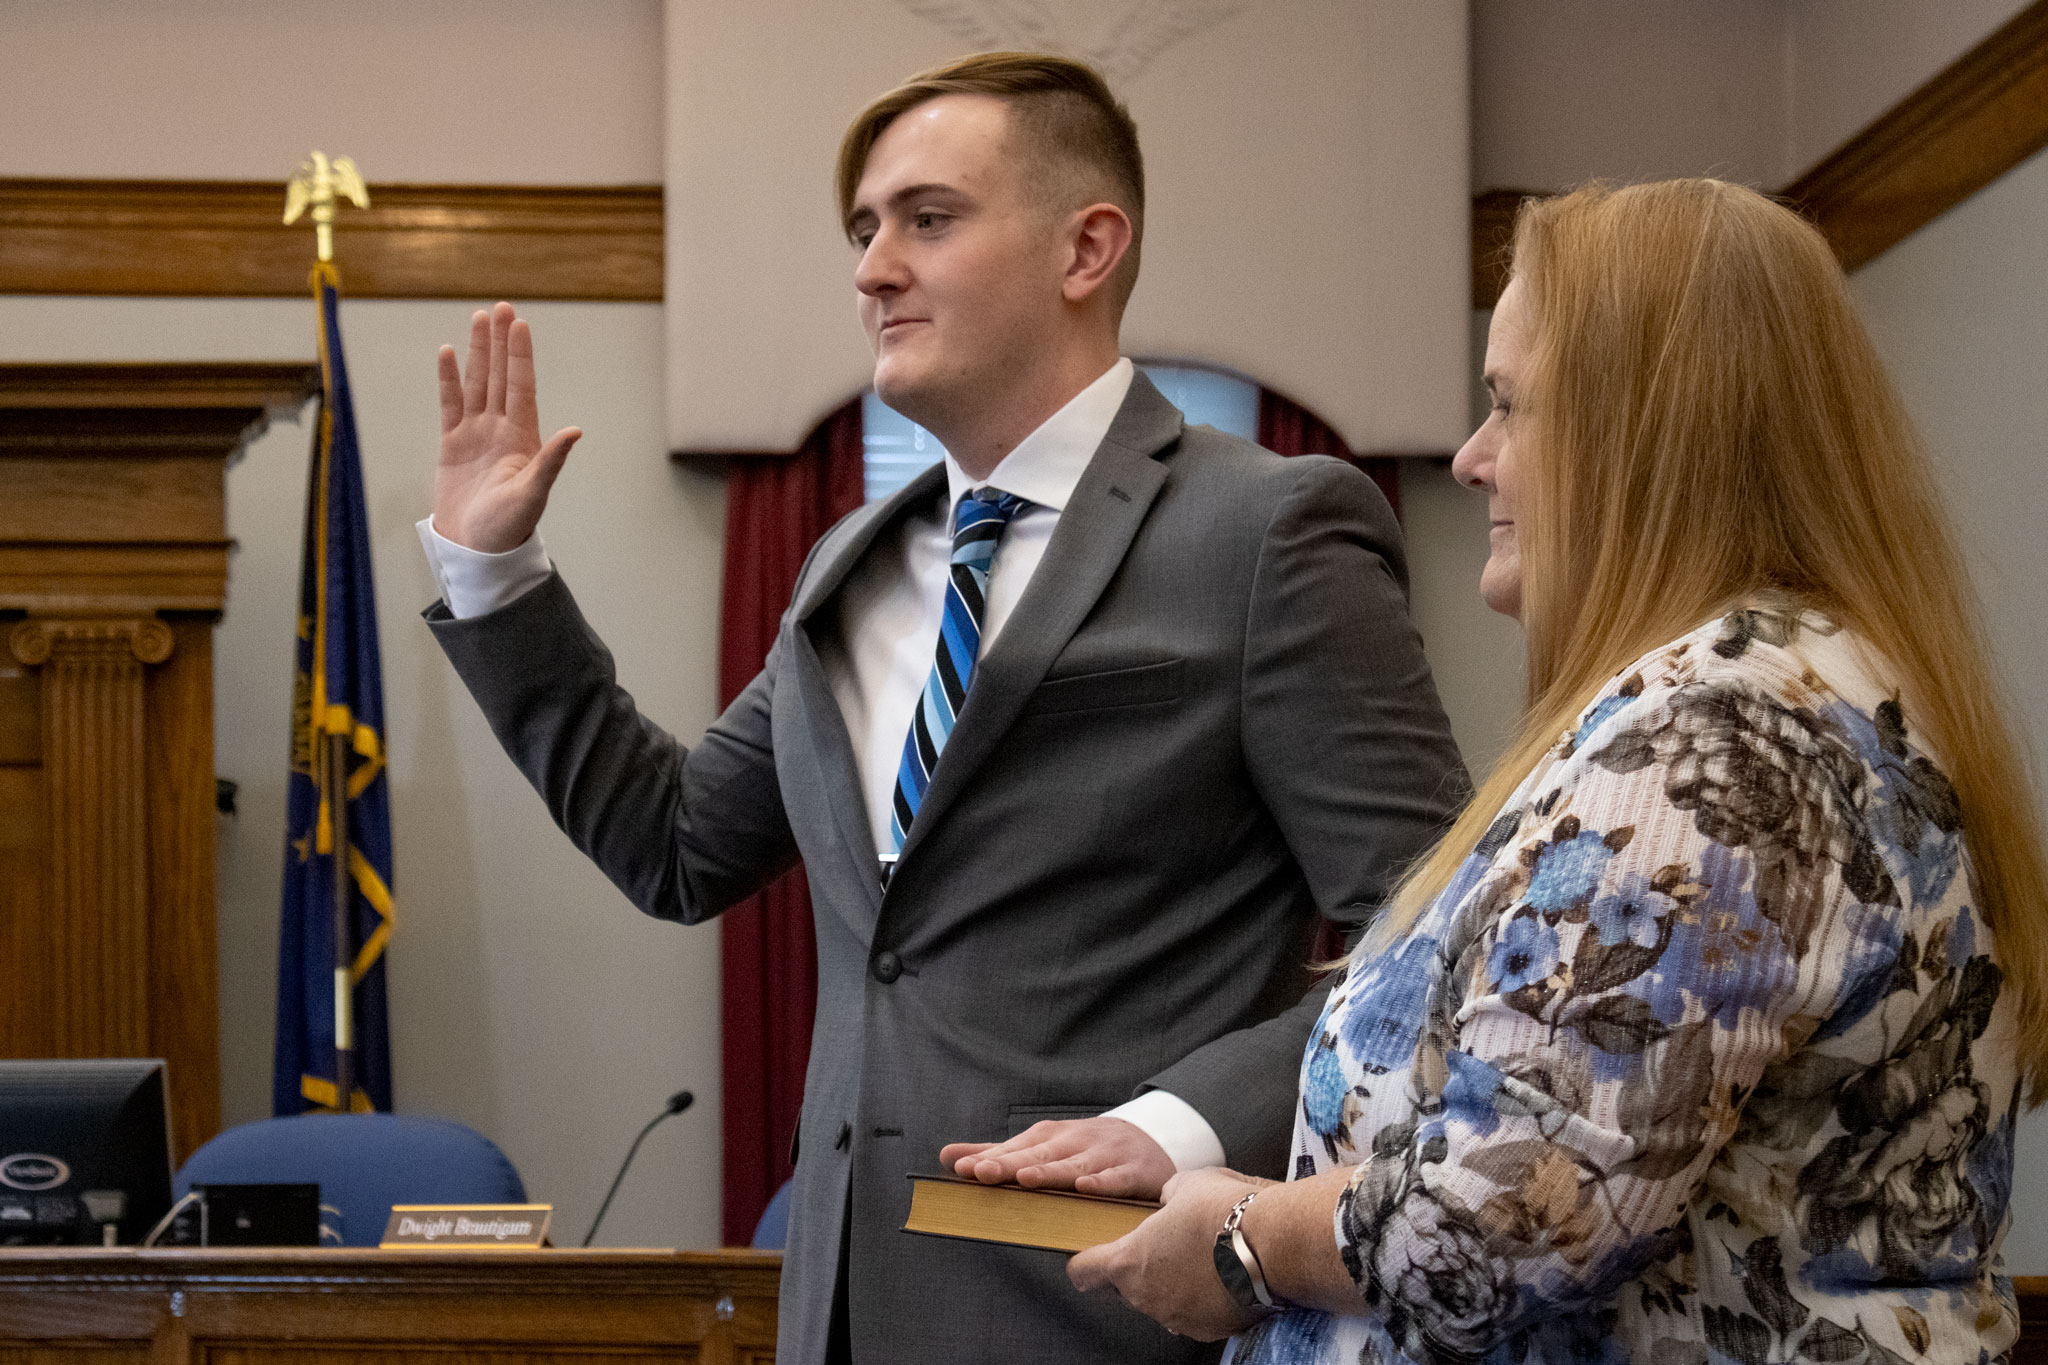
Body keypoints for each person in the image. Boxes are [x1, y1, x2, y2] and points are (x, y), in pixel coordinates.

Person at [418, 51, 1465, 1365]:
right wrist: (496, 575)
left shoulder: (1267, 528)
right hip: (846, 1312)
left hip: (1111, 1306)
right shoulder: (846, 562)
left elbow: (1429, 937)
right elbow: (677, 845)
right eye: (863, 229)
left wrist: (1185, 1121)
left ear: (1085, 248)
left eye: (927, 217)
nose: (870, 268)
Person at [1056, 178, 2045, 1365]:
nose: (1470, 460)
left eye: (1508, 406)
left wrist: (1238, 1239)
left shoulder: (1714, 736)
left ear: (1644, 431)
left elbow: (1500, 1219)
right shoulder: (1808, 684)